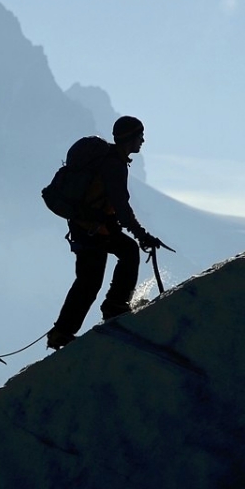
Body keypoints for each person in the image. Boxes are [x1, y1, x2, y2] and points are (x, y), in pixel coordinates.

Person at [46, 116, 160, 350]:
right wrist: (141, 234)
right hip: (92, 228)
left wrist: (137, 234)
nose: (143, 140)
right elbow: (121, 206)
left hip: (90, 226)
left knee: (99, 272)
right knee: (93, 278)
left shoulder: (108, 160)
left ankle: (69, 328)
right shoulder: (113, 165)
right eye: (140, 136)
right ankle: (107, 310)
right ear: (130, 137)